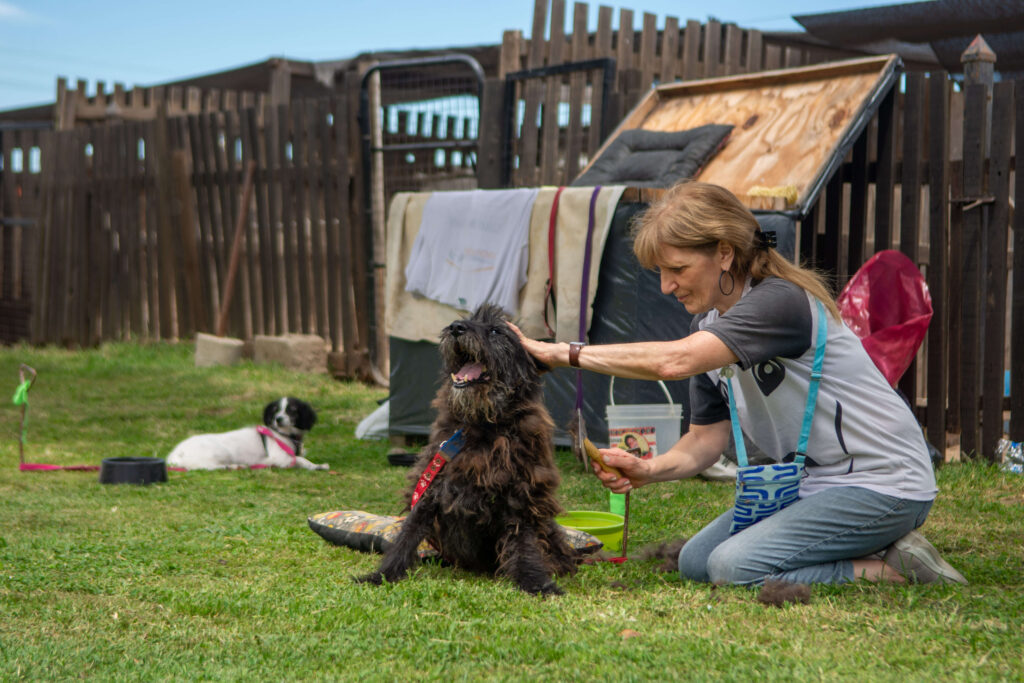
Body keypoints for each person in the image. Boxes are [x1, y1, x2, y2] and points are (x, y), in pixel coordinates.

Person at [511, 181, 966, 586]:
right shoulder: (710, 327)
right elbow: (706, 440)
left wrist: (562, 352)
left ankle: (892, 567)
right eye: (660, 274)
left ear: (724, 253)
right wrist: (650, 470)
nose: (667, 287)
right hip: (812, 484)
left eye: (678, 269)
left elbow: (675, 362)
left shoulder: (780, 302)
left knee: (732, 567)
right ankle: (858, 545)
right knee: (695, 562)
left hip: (884, 482)